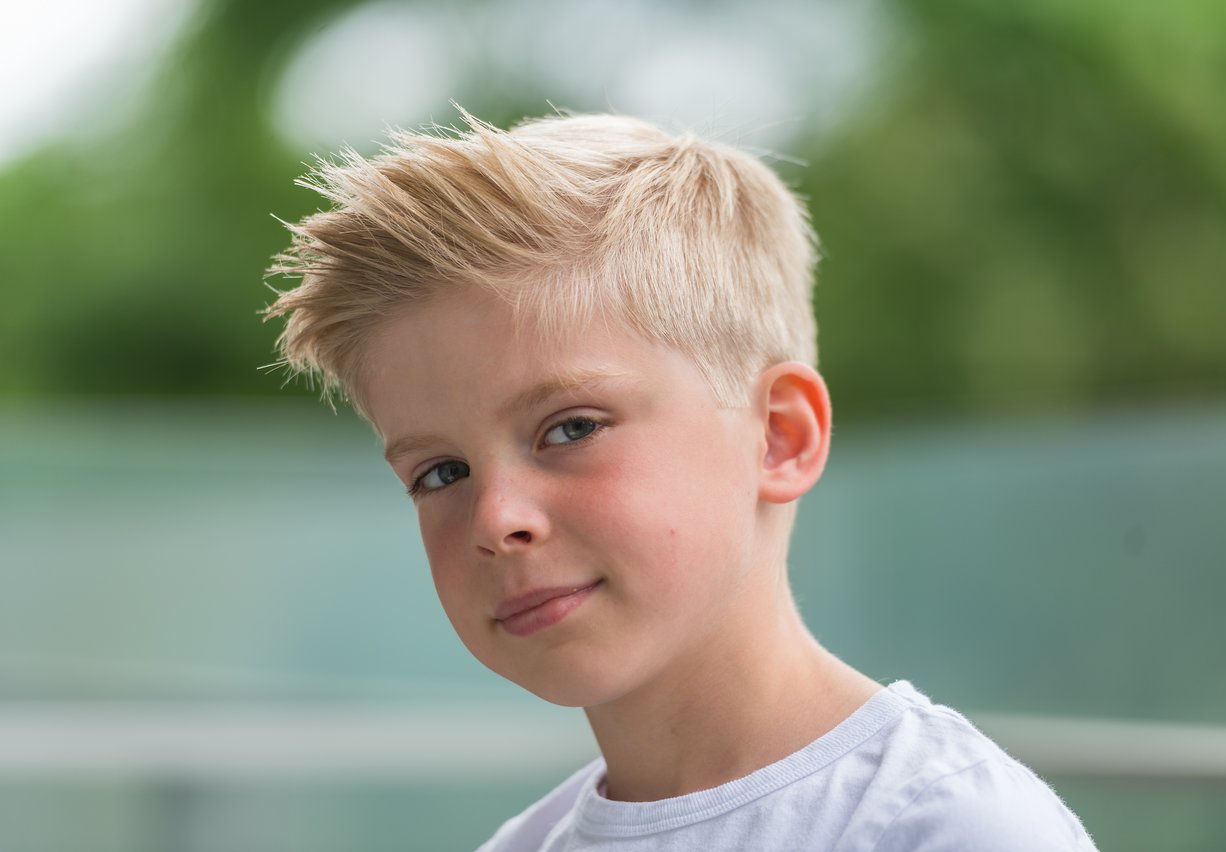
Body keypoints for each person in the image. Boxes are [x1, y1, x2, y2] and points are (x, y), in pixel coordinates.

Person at [265, 108, 1098, 851]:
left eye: (571, 428)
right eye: (441, 471)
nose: (497, 518)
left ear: (779, 437)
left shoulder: (944, 830)